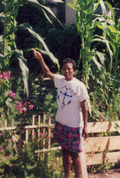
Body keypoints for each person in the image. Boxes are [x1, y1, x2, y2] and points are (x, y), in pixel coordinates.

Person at [31, 49, 89, 178]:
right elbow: (47, 72)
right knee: (64, 152)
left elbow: (84, 107)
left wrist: (85, 125)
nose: (66, 71)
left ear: (73, 70)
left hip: (73, 126)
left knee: (74, 155)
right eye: (64, 69)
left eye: (69, 69)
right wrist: (40, 58)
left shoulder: (79, 86)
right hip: (61, 124)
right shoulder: (60, 80)